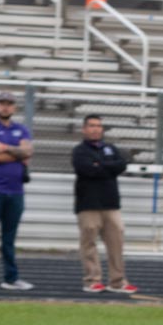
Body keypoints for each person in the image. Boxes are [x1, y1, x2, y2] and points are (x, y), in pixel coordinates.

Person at [71, 114, 135, 295]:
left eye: (99, 126)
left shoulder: (110, 148)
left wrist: (100, 165)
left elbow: (121, 165)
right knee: (89, 243)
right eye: (92, 125)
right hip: (88, 204)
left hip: (110, 203)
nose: (96, 129)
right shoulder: (79, 151)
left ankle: (117, 282)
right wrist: (108, 167)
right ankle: (92, 280)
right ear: (84, 129)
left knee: (116, 243)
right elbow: (86, 169)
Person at [0, 90, 34, 291]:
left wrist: (4, 148)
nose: (5, 107)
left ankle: (11, 278)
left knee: (9, 238)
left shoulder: (21, 129)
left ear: (14, 107)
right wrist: (17, 152)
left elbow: (28, 152)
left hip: (16, 190)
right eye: (2, 103)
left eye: (9, 103)